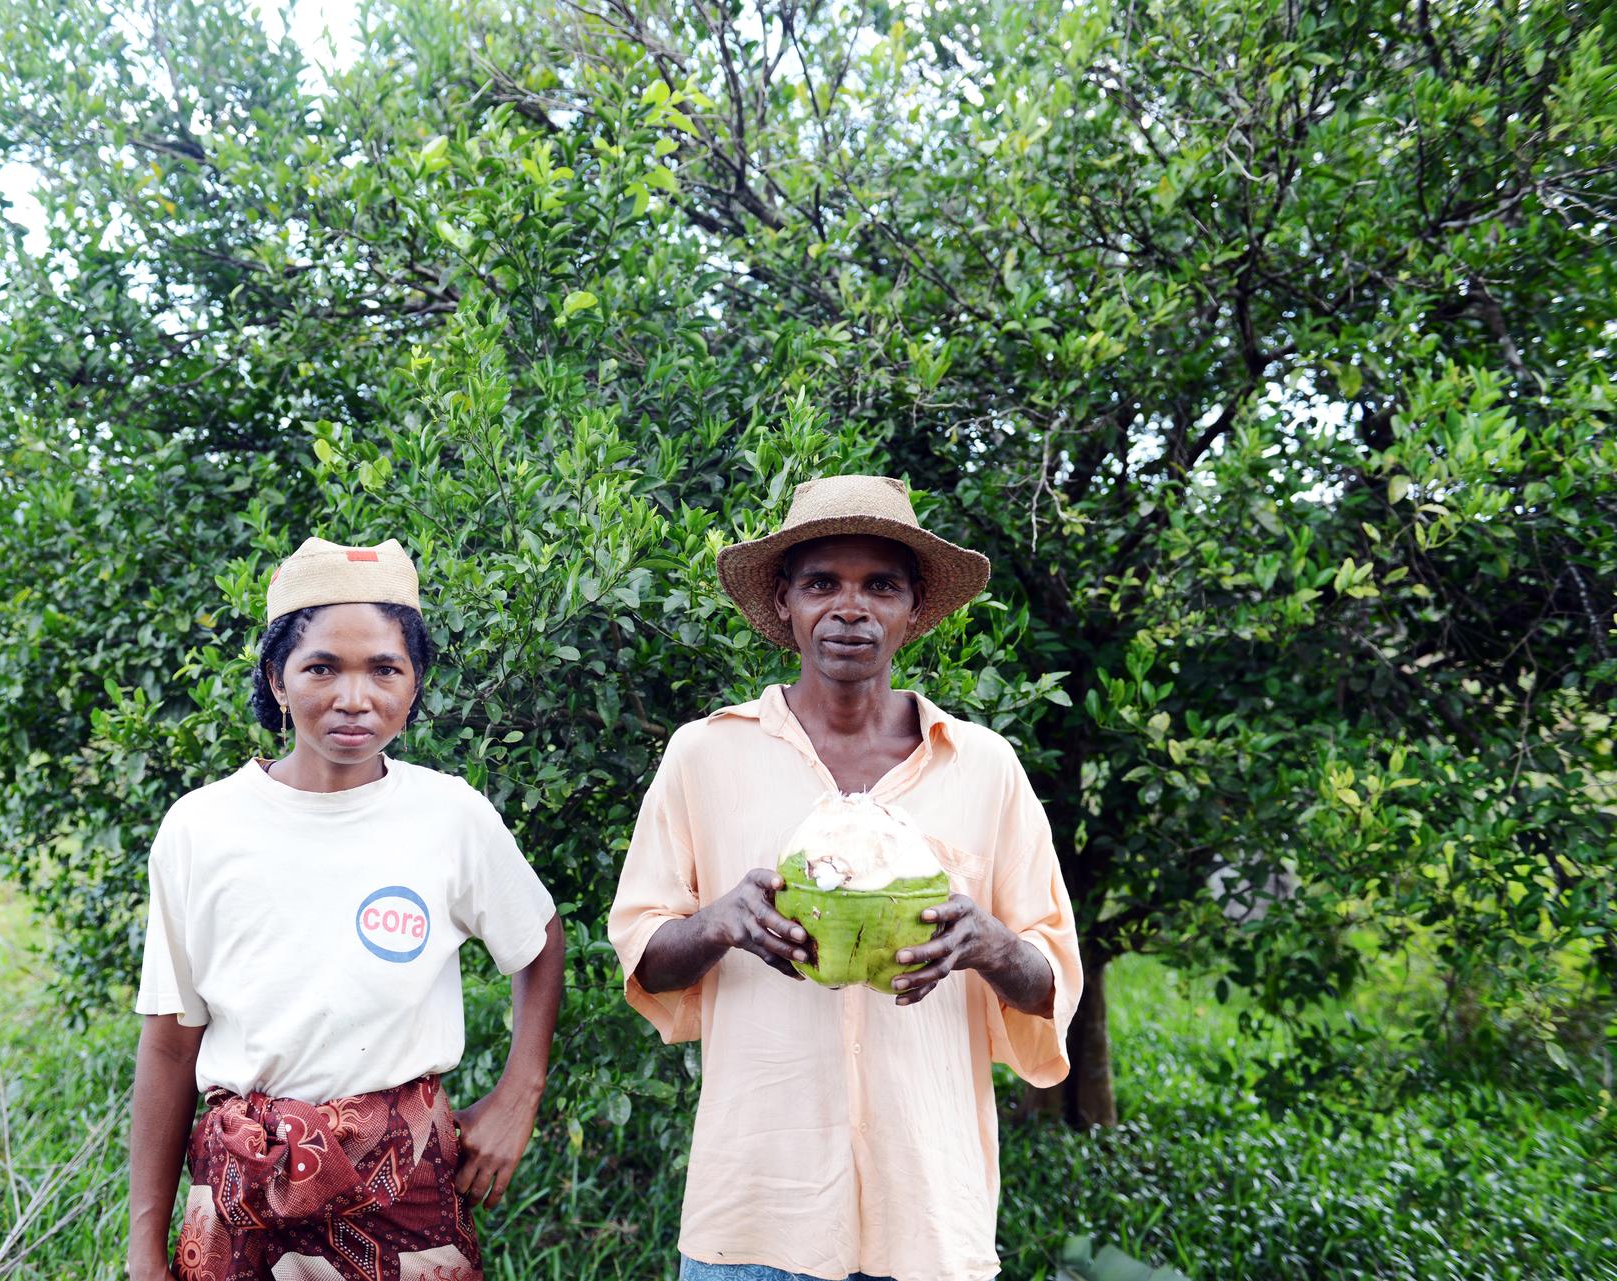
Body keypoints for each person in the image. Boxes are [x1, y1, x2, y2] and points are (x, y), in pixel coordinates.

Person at [609, 475, 1082, 1281]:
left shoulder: (983, 768)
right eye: (823, 582)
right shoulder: (705, 755)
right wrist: (723, 920)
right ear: (787, 604)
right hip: (753, 1223)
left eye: (881, 585)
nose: (850, 608)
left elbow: (1049, 983)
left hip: (928, 1222)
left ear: (913, 608)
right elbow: (642, 955)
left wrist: (988, 941)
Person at [126, 537, 565, 1281]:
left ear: (415, 681)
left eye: (384, 668)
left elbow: (539, 939)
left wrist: (520, 1092)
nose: (354, 697)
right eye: (322, 666)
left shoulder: (448, 816)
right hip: (241, 1192)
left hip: (406, 1187)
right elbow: (170, 1044)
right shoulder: (202, 828)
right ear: (278, 676)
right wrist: (143, 1252)